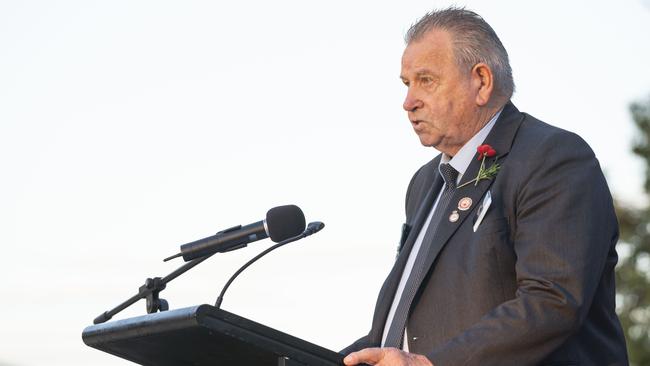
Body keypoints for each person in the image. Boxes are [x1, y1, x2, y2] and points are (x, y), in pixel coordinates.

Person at [342, 7, 628, 366]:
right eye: (406, 83)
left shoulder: (553, 158)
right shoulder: (423, 183)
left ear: (480, 81)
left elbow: (553, 299)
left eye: (426, 80)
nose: (408, 102)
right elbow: (406, 322)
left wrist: (431, 364)